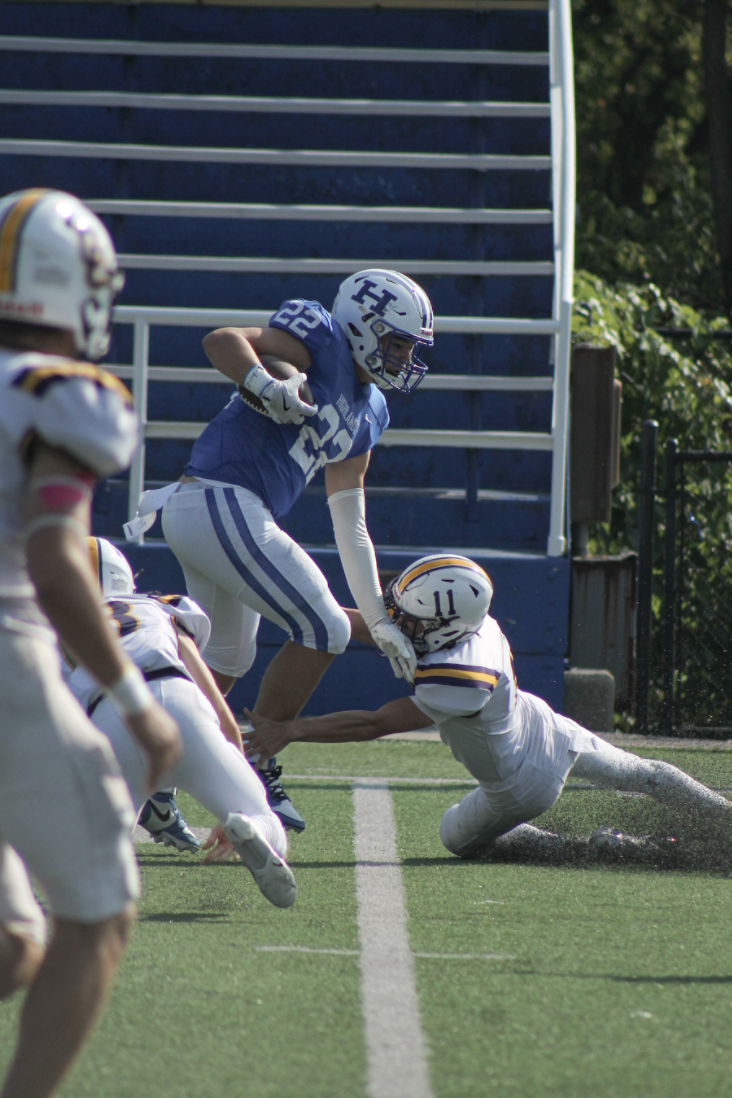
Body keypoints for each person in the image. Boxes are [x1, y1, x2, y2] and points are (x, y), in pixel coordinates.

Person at [125, 269, 434, 831]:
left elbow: (351, 524)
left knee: (225, 661)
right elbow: (221, 340)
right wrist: (266, 386)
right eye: (396, 343)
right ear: (364, 327)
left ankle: (151, 776)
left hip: (223, 515)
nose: (402, 358)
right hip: (220, 498)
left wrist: (381, 620)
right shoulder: (320, 338)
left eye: (408, 348)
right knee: (324, 629)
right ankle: (256, 755)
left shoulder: (371, 413)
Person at [0, 188, 180, 1098]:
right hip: (6, 672)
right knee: (100, 912)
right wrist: (139, 701)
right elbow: (58, 562)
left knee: (15, 945)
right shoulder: (58, 395)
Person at [241, 554, 732, 861]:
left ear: (442, 627)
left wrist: (291, 730)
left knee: (453, 837)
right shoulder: (470, 623)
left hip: (522, 785)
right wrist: (315, 617)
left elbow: (376, 723)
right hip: (545, 725)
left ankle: (576, 849)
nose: (396, 620)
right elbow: (379, 629)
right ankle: (723, 813)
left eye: (407, 617)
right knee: (641, 773)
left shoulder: (458, 675)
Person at [64, 538, 295, 907]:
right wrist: (233, 758)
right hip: (180, 702)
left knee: (99, 854)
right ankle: (254, 828)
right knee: (264, 817)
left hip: (110, 718)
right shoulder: (158, 607)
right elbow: (219, 710)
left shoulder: (57, 628)